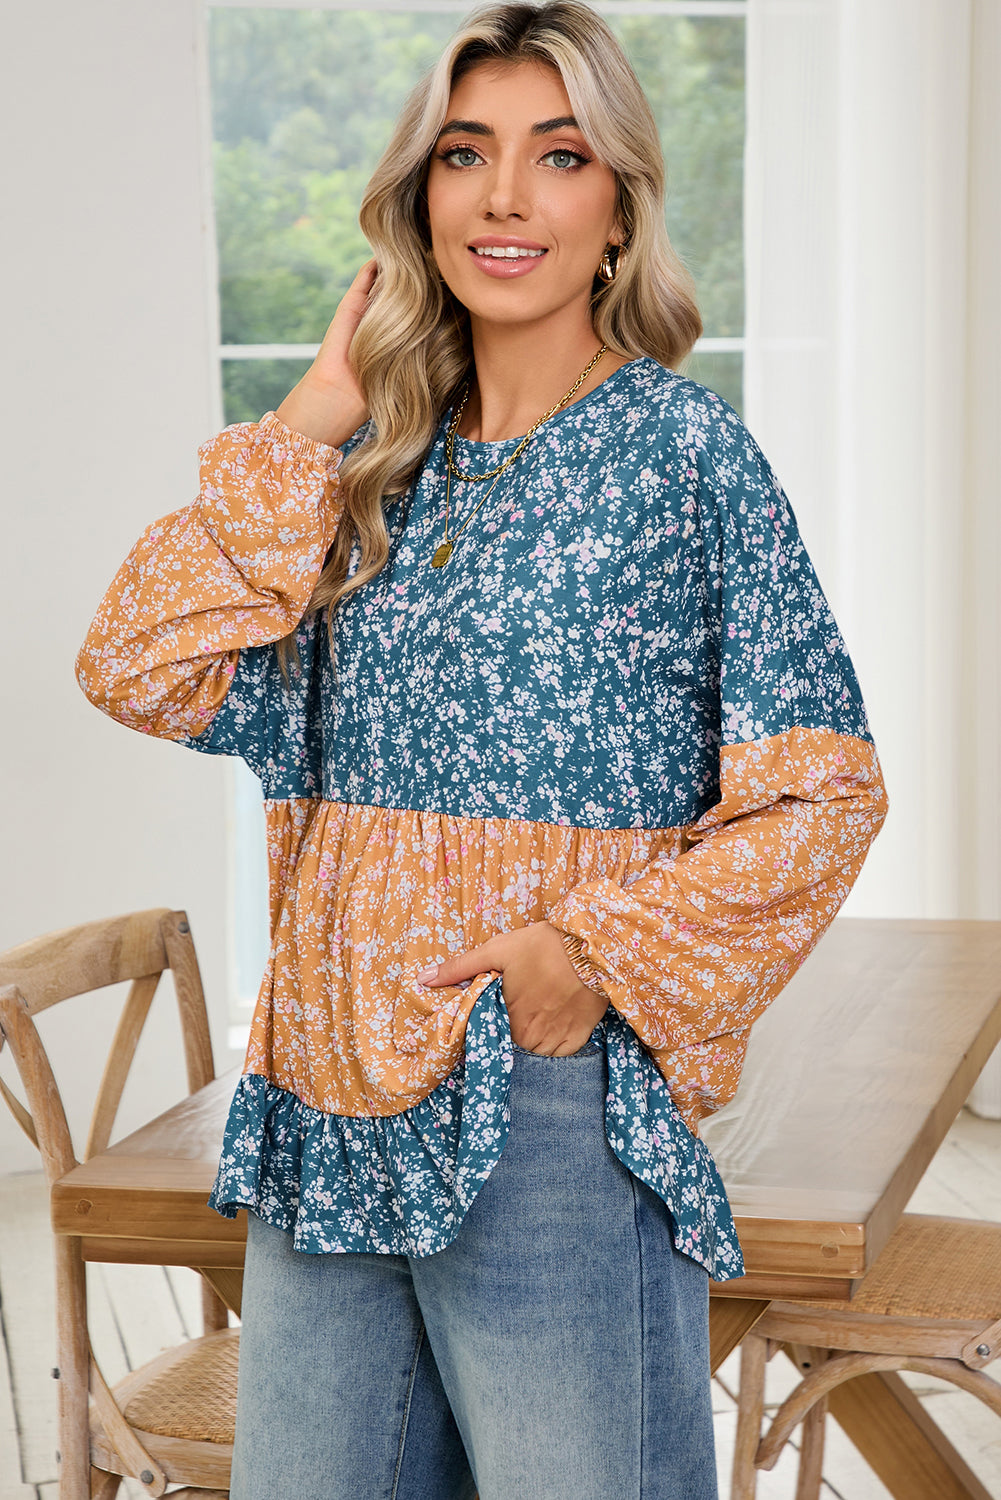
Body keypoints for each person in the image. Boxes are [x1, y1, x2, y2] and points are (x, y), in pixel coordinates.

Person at [76, 2, 888, 1495]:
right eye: (466, 155)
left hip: (542, 1104)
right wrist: (317, 417)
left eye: (556, 154)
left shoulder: (677, 455)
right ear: (421, 200)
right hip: (323, 1109)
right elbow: (135, 660)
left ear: (617, 208)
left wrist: (582, 954)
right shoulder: (368, 473)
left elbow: (823, 792)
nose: (505, 195)